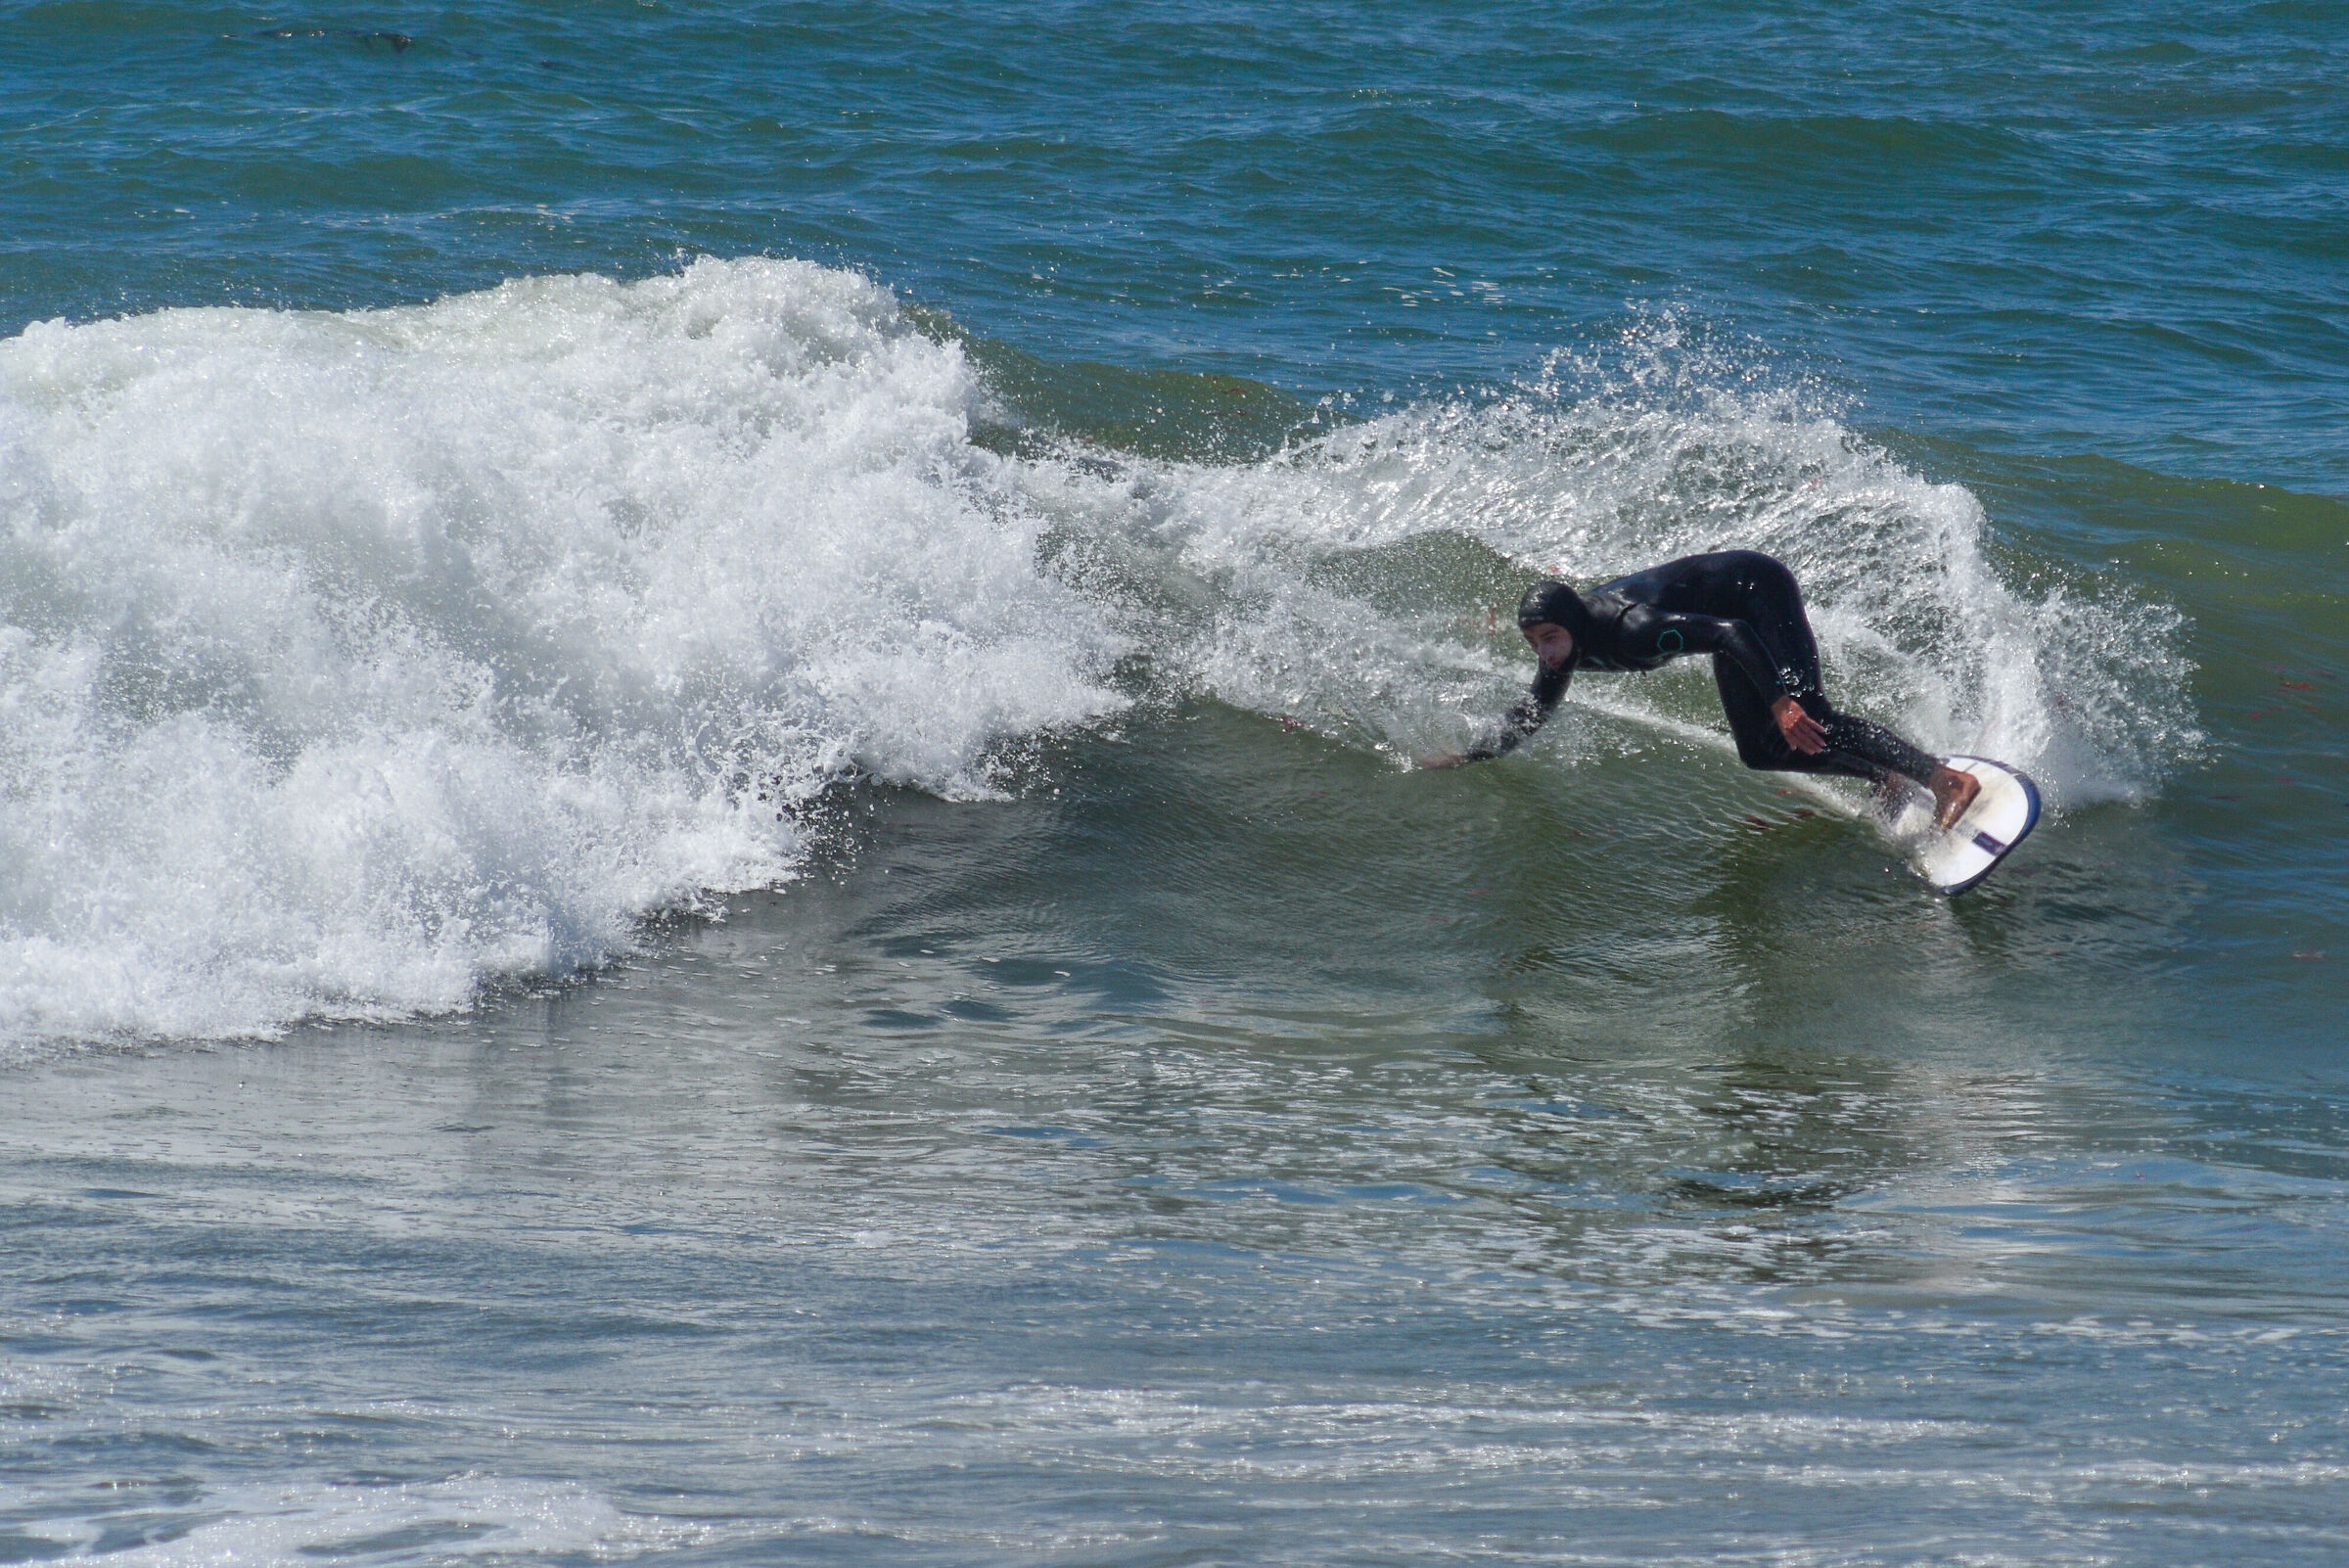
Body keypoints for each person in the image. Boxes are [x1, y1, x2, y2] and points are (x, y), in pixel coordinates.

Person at [1422, 550, 1981, 830]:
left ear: (1570, 624)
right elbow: (1531, 713)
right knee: (1760, 752)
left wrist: (1782, 702)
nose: (1544, 653)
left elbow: (1733, 632)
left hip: (1754, 593)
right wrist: (1467, 756)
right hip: (1725, 629)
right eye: (1534, 643)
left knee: (1809, 717)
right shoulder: (1566, 648)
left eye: (1550, 638)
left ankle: (1943, 779)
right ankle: (1886, 776)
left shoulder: (1634, 631)